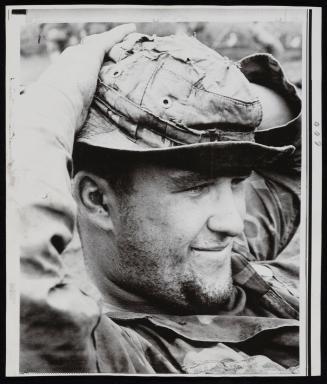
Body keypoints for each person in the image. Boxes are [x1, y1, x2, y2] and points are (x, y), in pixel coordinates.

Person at [13, 24, 301, 374]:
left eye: (238, 181)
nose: (233, 222)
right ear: (97, 200)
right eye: (197, 187)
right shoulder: (112, 357)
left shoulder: (229, 258)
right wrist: (57, 97)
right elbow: (20, 275)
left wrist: (195, 83)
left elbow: (292, 159)